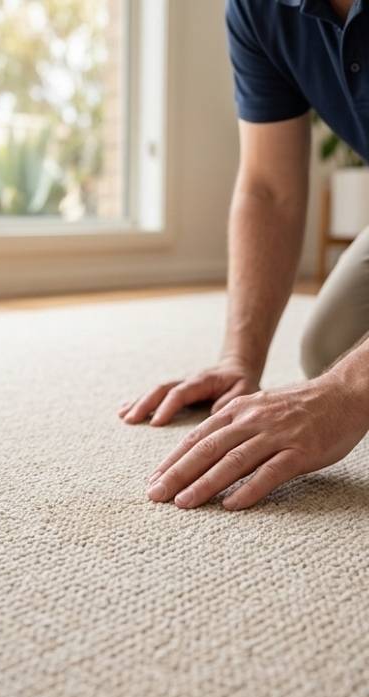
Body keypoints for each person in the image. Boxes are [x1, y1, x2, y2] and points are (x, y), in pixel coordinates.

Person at [120, 0, 369, 510]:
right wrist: (240, 357)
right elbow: (268, 189)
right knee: (331, 347)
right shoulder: (259, 9)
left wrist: (348, 391)